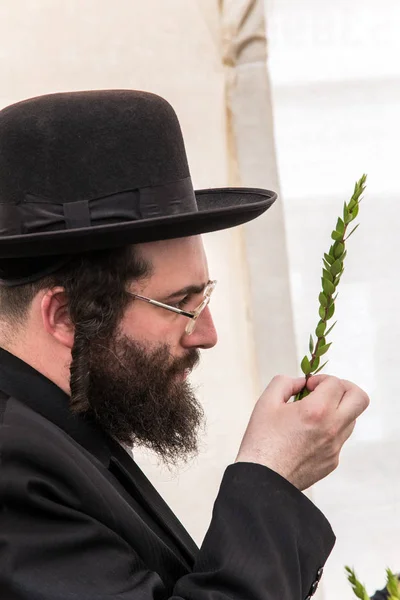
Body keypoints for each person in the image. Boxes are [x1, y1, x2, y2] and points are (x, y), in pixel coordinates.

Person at [0, 90, 369, 600]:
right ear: (66, 316)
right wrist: (269, 478)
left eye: (205, 296)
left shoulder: (59, 430)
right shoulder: (13, 466)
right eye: (182, 302)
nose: (206, 333)